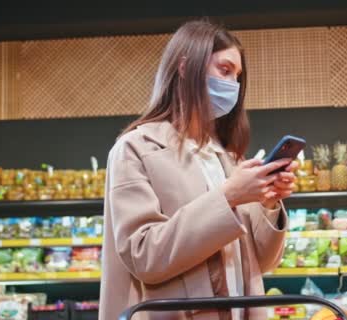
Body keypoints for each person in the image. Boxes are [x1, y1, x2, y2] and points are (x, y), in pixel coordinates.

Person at [99, 19, 298, 320]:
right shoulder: (135, 150)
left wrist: (268, 203)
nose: (232, 84)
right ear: (184, 67)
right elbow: (144, 256)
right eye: (224, 69)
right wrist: (228, 196)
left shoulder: (227, 157)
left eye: (238, 76)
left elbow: (261, 263)